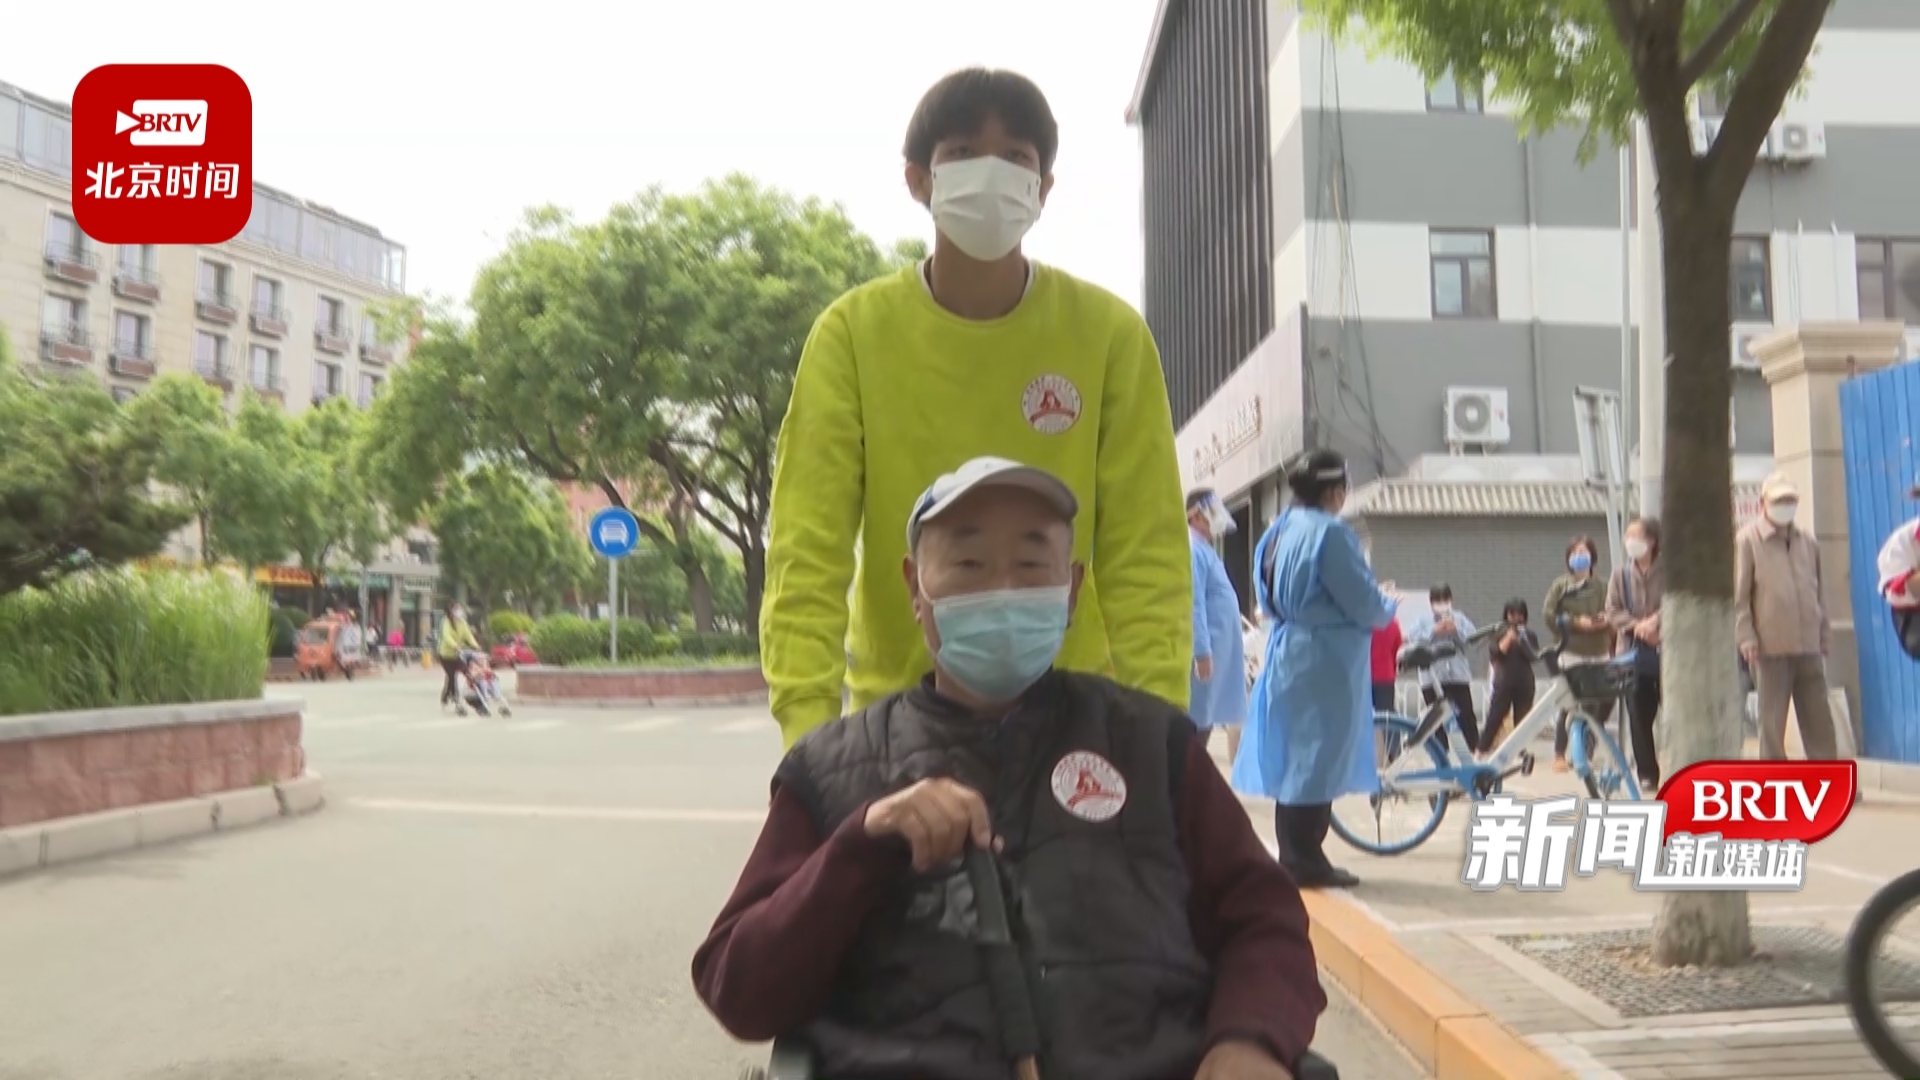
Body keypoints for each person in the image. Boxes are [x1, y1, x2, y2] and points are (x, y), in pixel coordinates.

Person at [693, 457, 1324, 1080]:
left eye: (1030, 565)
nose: (1002, 590)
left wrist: (1252, 1038)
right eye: (969, 565)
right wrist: (857, 848)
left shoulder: (1153, 744)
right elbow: (741, 991)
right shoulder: (831, 769)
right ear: (915, 589)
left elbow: (1264, 918)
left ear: (1071, 590)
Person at [758, 67, 1191, 749]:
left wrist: (1161, 741)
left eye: (1015, 156)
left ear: (1043, 188)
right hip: (899, 728)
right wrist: (808, 745)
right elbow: (807, 555)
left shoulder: (1110, 337)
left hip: (1077, 726)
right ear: (917, 179)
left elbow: (1148, 557)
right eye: (962, 152)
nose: (991, 173)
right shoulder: (851, 336)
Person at [1232, 449, 1399, 890]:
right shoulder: (1331, 533)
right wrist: (1386, 605)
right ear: (1334, 491)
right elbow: (1361, 599)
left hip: (1287, 649)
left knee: (1295, 757)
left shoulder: (1278, 530)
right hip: (1324, 659)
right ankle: (1305, 859)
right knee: (1317, 760)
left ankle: (1294, 853)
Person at [1736, 473, 1837, 761]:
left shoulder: (1808, 541)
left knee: (1819, 717)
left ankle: (1828, 775)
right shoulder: (1748, 540)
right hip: (1769, 646)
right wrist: (1746, 636)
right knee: (1771, 722)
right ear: (1763, 503)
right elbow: (1740, 595)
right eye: (1779, 500)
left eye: (1790, 500)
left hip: (1808, 643)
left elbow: (1818, 591)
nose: (1785, 506)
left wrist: (1824, 633)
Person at [1543, 536, 1614, 772]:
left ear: (1592, 556)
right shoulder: (1561, 585)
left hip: (1599, 652)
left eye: (1583, 552)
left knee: (1602, 701)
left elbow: (1613, 609)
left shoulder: (1603, 586)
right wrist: (1575, 622)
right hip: (1570, 653)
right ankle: (1559, 753)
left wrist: (1604, 620)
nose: (1578, 557)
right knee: (1570, 701)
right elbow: (1549, 615)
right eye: (1574, 553)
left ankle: (1586, 750)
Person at [1187, 488, 1248, 762]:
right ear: (1195, 516)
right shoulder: (1193, 549)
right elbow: (1194, 602)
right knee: (1197, 725)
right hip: (1206, 655)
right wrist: (1201, 651)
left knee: (1206, 720)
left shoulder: (1204, 549)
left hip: (1217, 654)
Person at [1606, 518, 1665, 789]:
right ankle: (1647, 773)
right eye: (1628, 536)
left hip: (1666, 651)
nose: (1630, 542)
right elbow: (1612, 610)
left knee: (1674, 714)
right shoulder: (1620, 575)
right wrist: (1638, 627)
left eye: (1636, 536)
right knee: (1638, 716)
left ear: (1651, 542)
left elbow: (1675, 603)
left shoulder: (1668, 572)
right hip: (1632, 654)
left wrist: (1657, 622)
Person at [1406, 584, 1482, 755]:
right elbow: (1413, 640)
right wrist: (1433, 631)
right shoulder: (1422, 620)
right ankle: (1441, 753)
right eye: (1438, 601)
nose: (1442, 604)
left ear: (1450, 600)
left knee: (1466, 715)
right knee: (1436, 719)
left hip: (1458, 675)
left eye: (1445, 600)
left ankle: (1474, 750)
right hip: (1432, 678)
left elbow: (1472, 640)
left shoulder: (1460, 618)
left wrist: (1456, 631)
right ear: (1432, 603)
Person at [1483, 599, 1540, 752]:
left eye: (1520, 614)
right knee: (1495, 717)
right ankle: (1481, 750)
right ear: (1506, 615)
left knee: (1522, 720)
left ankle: (1520, 750)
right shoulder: (1498, 633)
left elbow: (1534, 656)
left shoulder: (1530, 635)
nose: (1516, 618)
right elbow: (1496, 653)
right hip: (1504, 683)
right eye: (1512, 614)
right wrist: (1509, 638)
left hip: (1524, 683)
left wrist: (1522, 641)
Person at [436, 604, 480, 716]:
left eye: (460, 610)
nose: (459, 612)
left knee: (467, 672)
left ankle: (474, 697)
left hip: (457, 655)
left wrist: (475, 645)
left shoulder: (462, 623)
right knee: (451, 677)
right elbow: (446, 636)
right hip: (445, 655)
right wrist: (455, 645)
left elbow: (468, 635)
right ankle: (451, 698)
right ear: (451, 611)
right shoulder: (446, 622)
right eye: (457, 610)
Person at [1369, 617, 1403, 716]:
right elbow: (1398, 651)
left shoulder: (1362, 622)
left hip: (1363, 676)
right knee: (1385, 716)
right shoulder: (1392, 623)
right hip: (1386, 676)